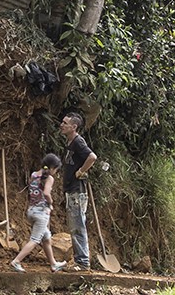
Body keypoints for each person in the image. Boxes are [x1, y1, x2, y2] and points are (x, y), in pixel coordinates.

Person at [9, 153, 67, 273]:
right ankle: (16, 261)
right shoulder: (49, 178)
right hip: (41, 214)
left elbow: (33, 191)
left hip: (31, 211)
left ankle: (53, 264)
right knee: (35, 240)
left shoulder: (34, 174)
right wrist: (51, 203)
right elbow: (46, 193)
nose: (55, 172)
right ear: (52, 168)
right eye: (56, 169)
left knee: (46, 237)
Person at [61, 112, 97, 271]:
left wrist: (81, 171)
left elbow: (92, 157)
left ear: (74, 127)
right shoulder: (70, 142)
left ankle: (82, 262)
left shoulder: (78, 141)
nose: (61, 125)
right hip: (72, 190)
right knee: (75, 225)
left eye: (65, 123)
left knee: (77, 226)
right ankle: (80, 261)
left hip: (77, 191)